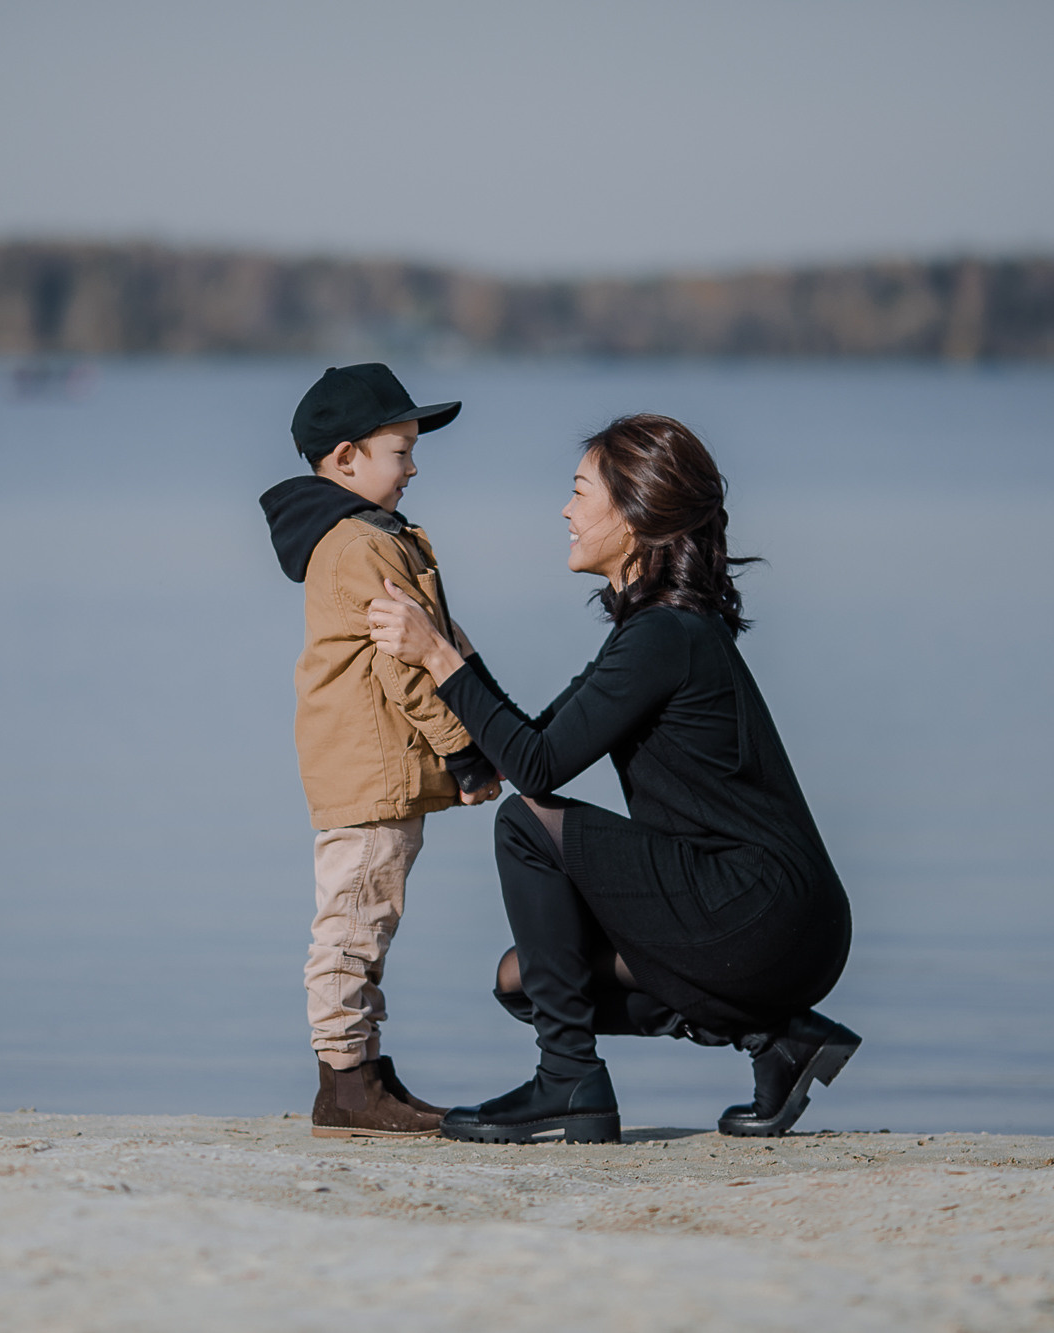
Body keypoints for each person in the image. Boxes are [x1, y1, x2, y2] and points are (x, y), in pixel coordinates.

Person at [365, 413, 858, 1144]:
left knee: (526, 824)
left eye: (579, 491)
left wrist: (440, 660)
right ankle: (776, 1037)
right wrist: (457, 656)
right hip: (769, 924)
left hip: (761, 909)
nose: (565, 510)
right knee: (527, 981)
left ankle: (569, 1082)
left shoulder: (666, 637)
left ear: (632, 517)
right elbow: (531, 741)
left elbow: (534, 771)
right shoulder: (657, 631)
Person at [258, 363, 503, 1138]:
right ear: (345, 458)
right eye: (400, 449)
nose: (414, 465)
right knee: (354, 920)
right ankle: (344, 1079)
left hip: (375, 764)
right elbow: (404, 664)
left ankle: (361, 1067)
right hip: (369, 768)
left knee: (369, 915)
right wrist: (466, 752)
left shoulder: (372, 536)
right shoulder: (357, 545)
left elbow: (443, 641)